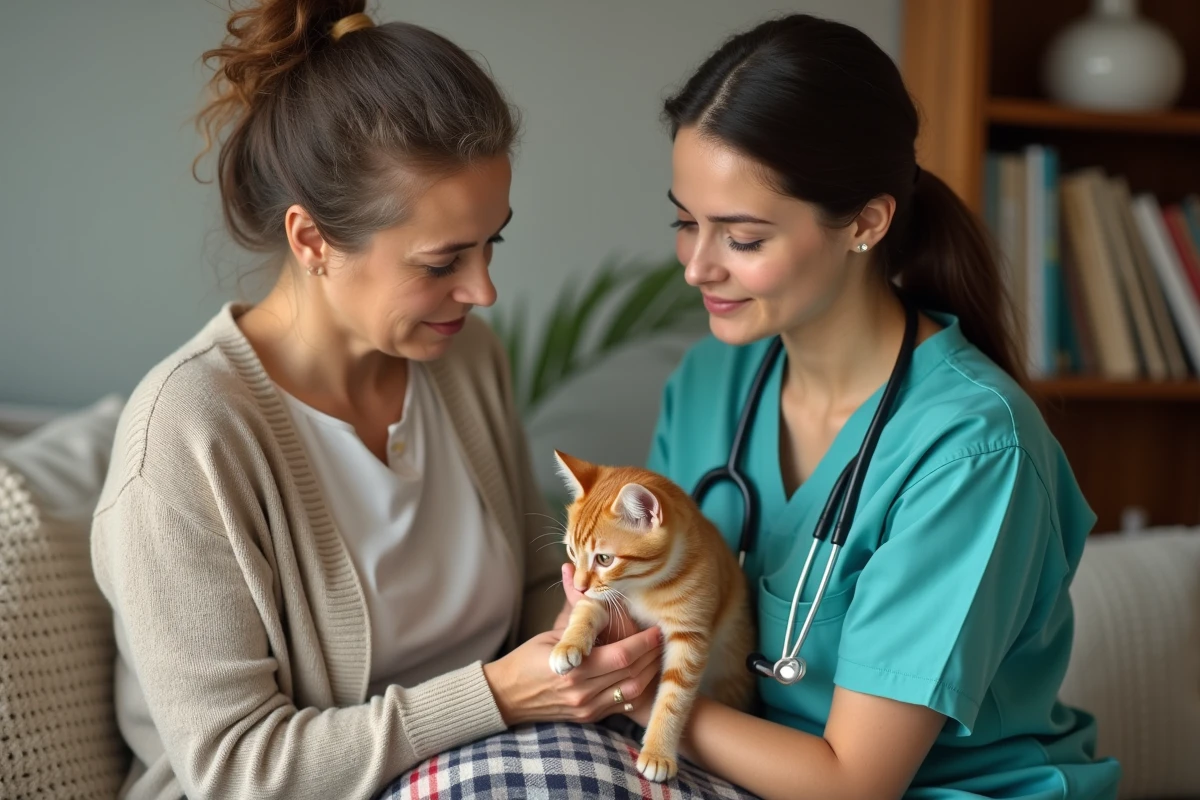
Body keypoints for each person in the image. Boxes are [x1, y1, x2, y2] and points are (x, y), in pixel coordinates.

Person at [89, 3, 664, 798]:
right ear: (312, 240)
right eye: (441, 261)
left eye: (492, 241)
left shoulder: (463, 361)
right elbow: (234, 771)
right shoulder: (187, 439)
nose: (484, 290)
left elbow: (535, 580)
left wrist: (583, 636)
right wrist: (497, 695)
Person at [636, 13, 1124, 800]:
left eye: (743, 238)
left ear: (865, 222)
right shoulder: (706, 385)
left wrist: (647, 700)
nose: (696, 267)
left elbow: (854, 783)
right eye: (684, 222)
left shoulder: (972, 447)